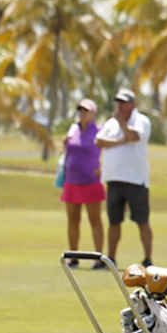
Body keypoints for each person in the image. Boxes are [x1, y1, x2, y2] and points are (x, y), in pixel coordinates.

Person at [95, 88, 154, 269]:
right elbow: (99, 141)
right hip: (113, 179)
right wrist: (121, 140)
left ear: (133, 104)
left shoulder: (141, 120)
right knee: (114, 221)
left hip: (135, 179)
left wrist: (123, 125)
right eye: (118, 102)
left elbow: (134, 136)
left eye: (124, 102)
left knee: (142, 220)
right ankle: (111, 258)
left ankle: (148, 259)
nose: (120, 105)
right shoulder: (111, 123)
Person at [60, 99, 106, 269]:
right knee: (73, 219)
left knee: (95, 219)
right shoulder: (74, 128)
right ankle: (73, 256)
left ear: (93, 113)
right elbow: (67, 149)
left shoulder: (99, 131)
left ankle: (99, 257)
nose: (82, 113)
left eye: (86, 110)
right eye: (80, 110)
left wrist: (104, 168)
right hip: (72, 179)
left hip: (91, 181)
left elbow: (110, 150)